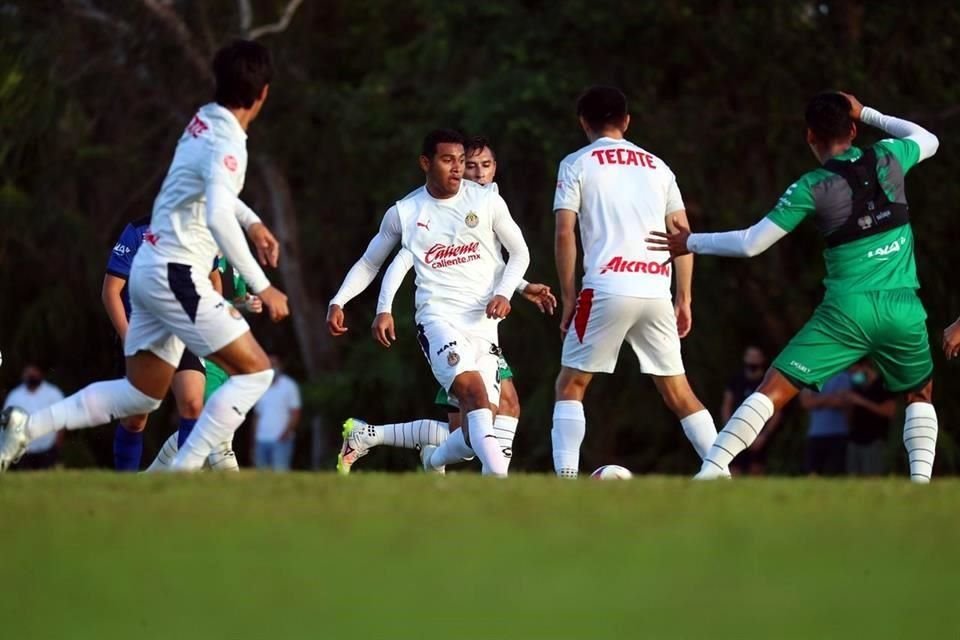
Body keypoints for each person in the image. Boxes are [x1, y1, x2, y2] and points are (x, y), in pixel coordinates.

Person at [0, 39, 289, 471]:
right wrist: (264, 287)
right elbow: (216, 214)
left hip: (149, 272)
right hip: (178, 275)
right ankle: (183, 471)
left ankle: (27, 426)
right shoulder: (230, 142)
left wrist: (254, 223)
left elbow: (216, 194)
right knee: (257, 372)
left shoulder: (201, 122)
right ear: (263, 92)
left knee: (141, 394)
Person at [648, 91, 940, 482]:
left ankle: (713, 469)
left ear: (809, 137)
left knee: (774, 388)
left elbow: (752, 243)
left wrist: (691, 242)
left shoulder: (813, 186)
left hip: (846, 312)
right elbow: (929, 139)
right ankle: (920, 484)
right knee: (919, 393)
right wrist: (869, 111)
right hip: (903, 309)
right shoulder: (889, 156)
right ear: (852, 128)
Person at [337, 136, 555, 474]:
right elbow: (375, 263)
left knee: (472, 433)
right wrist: (347, 302)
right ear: (426, 163)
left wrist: (510, 291)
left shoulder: (488, 202)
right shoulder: (407, 212)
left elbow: (514, 255)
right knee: (480, 400)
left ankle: (429, 457)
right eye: (450, 160)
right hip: (438, 319)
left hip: (484, 327)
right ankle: (499, 482)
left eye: (463, 160)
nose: (460, 168)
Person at [550, 86, 719, 478]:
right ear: (626, 121)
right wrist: (684, 297)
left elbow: (564, 232)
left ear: (583, 123)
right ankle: (721, 468)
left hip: (606, 287)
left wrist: (569, 295)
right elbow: (682, 233)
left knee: (571, 384)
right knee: (678, 391)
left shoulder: (577, 164)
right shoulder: (658, 166)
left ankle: (566, 479)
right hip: (655, 290)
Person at [103, 216, 209, 470]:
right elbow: (110, 292)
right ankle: (124, 489)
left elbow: (213, 278)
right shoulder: (137, 231)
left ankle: (185, 488)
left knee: (193, 404)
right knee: (136, 419)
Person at [145, 256, 262, 472]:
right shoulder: (194, 249)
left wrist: (247, 303)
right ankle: (237, 494)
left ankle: (151, 477)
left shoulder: (234, 258)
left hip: (229, 349)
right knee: (215, 423)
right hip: (200, 346)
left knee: (204, 425)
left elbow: (234, 300)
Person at [721, 346, 783, 475]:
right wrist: (729, 431)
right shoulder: (736, 381)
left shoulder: (767, 383)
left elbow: (777, 411)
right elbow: (727, 405)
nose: (752, 360)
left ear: (762, 359)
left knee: (756, 470)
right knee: (734, 470)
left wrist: (764, 436)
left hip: (759, 435)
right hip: (736, 433)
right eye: (750, 356)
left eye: (756, 357)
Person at [2, 364, 65, 470]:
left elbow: (62, 419)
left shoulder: (53, 393)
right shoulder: (15, 395)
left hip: (48, 447)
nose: (32, 375)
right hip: (23, 450)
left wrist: (57, 445)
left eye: (34, 372)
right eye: (29, 373)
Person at [844, 359, 895, 476]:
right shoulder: (856, 386)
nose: (853, 375)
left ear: (865, 367)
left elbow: (889, 411)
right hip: (855, 439)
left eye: (855, 371)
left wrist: (861, 401)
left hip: (874, 441)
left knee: (871, 477)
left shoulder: (883, 384)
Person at [250, 355, 302, 471]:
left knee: (280, 474)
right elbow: (257, 416)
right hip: (261, 439)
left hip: (281, 440)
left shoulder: (289, 386)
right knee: (261, 477)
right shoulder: (261, 387)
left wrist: (286, 433)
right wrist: (254, 438)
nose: (272, 368)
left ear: (280, 366)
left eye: (274, 364)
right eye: (269, 365)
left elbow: (295, 413)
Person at [799, 371, 852, 476]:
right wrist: (830, 398)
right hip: (815, 433)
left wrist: (817, 400)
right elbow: (806, 403)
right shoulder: (811, 375)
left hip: (838, 433)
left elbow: (841, 402)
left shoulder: (843, 377)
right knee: (812, 473)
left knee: (836, 474)